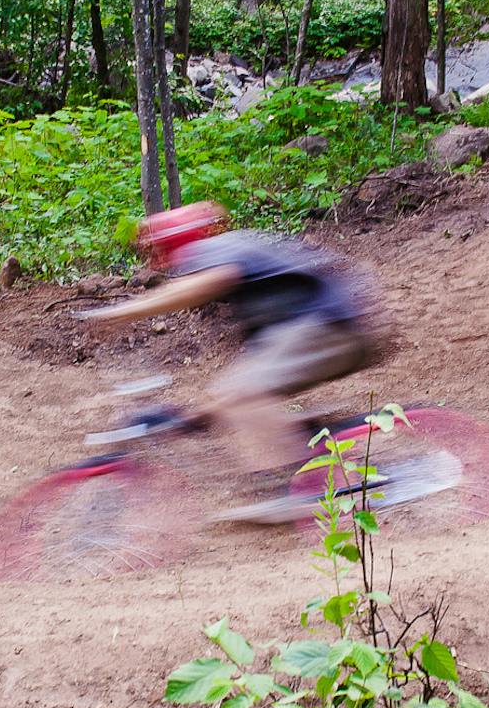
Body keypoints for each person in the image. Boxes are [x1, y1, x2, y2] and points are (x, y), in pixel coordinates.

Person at [77, 201, 380, 522]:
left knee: (242, 392)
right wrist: (186, 419)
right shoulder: (237, 266)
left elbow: (211, 281)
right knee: (231, 396)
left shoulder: (212, 249)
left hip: (327, 325)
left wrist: (121, 312)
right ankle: (317, 443)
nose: (157, 261)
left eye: (158, 250)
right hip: (324, 325)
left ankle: (286, 492)